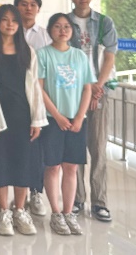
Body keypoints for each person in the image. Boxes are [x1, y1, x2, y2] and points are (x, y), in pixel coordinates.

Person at [0, 5, 47, 237]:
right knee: (0, 162)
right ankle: (3, 211)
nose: (9, 24)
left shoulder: (27, 51)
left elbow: (35, 87)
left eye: (14, 20)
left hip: (23, 115)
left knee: (23, 162)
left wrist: (37, 119)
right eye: (5, 20)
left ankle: (19, 210)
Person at [65, 0, 118, 222]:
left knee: (98, 148)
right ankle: (77, 199)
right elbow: (63, 57)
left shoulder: (105, 22)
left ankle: (99, 202)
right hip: (72, 93)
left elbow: (110, 56)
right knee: (74, 148)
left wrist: (98, 87)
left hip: (99, 91)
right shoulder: (64, 22)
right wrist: (84, 89)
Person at [38, 13, 94, 236]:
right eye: (57, 26)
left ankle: (69, 212)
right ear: (50, 30)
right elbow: (39, 88)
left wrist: (79, 117)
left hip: (77, 120)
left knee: (71, 167)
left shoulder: (79, 56)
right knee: (52, 166)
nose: (62, 31)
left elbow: (87, 88)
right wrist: (58, 116)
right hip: (52, 120)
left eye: (66, 27)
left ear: (72, 31)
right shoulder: (43, 54)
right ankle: (56, 213)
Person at [14, 0, 51, 217]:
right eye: (23, 4)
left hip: (38, 99)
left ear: (38, 9)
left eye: (32, 4)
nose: (28, 8)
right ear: (16, 7)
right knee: (18, 150)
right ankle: (19, 195)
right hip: (14, 101)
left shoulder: (46, 36)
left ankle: (36, 192)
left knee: (37, 150)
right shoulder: (9, 33)